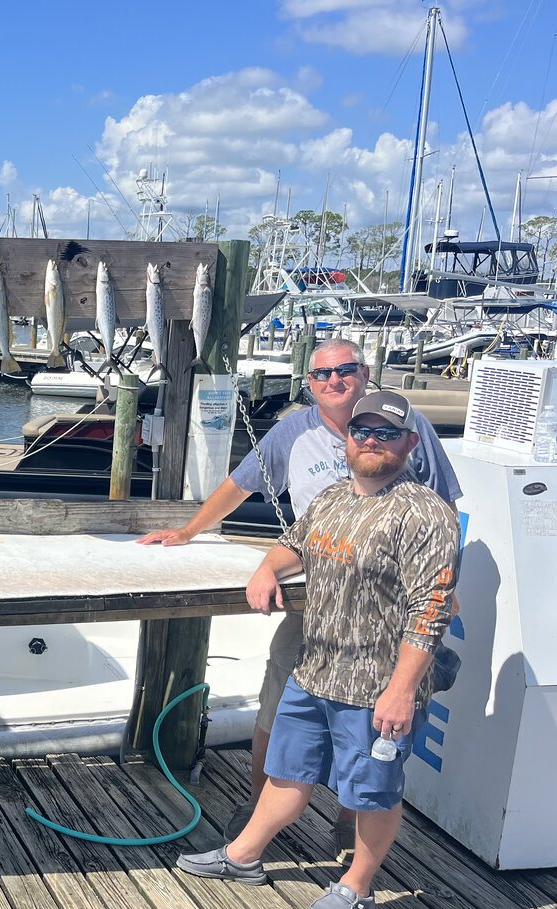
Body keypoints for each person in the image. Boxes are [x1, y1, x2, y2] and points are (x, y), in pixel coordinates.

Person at [137, 338, 461, 857]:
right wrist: (193, 531)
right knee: (280, 703)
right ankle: (258, 806)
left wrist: (446, 586)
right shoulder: (296, 435)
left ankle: (353, 824)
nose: (334, 381)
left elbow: (443, 510)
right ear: (308, 383)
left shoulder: (408, 424)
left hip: (392, 606)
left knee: (374, 723)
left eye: (345, 370)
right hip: (319, 598)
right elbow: (241, 485)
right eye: (321, 374)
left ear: (366, 374)